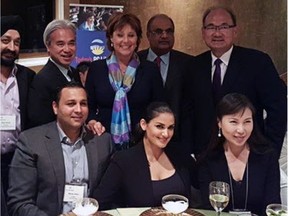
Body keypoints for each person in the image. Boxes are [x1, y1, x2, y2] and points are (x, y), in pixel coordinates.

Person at [181, 6, 287, 157]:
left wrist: (270, 152)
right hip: (204, 156)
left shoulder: (257, 62)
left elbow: (278, 109)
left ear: (235, 31)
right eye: (211, 27)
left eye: (224, 26)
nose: (217, 33)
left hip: (249, 153)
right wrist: (188, 153)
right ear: (203, 32)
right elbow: (187, 114)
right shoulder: (194, 66)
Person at [7, 82, 113, 216]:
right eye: (71, 104)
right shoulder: (32, 142)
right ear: (55, 107)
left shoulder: (101, 141)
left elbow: (112, 195)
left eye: (83, 104)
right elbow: (19, 202)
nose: (78, 110)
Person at [93, 102, 197, 210]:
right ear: (144, 124)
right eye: (159, 126)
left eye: (170, 128)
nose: (166, 134)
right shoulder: (124, 160)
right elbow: (99, 203)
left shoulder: (181, 155)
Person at [85, 12, 165, 149]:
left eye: (131, 35)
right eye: (120, 35)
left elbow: (159, 109)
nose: (126, 41)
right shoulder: (96, 69)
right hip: (103, 142)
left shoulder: (150, 69)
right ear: (111, 38)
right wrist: (92, 121)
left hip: (142, 144)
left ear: (137, 40)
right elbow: (88, 107)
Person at [198, 93, 281, 216]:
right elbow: (209, 210)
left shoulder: (267, 157)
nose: (241, 130)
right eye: (234, 122)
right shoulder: (208, 160)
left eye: (247, 121)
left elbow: (272, 207)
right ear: (219, 123)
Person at [138, 14, 193, 139]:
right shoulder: (135, 61)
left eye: (169, 31)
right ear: (148, 35)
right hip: (141, 138)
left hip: (177, 139)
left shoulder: (189, 64)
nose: (164, 36)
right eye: (158, 31)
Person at [0, 15, 36, 198]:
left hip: (18, 160)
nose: (11, 48)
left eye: (17, 42)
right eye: (5, 41)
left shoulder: (27, 77)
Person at [27, 20, 85, 128]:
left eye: (71, 43)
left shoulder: (74, 72)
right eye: (60, 44)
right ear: (48, 47)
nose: (67, 49)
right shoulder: (41, 81)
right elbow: (40, 124)